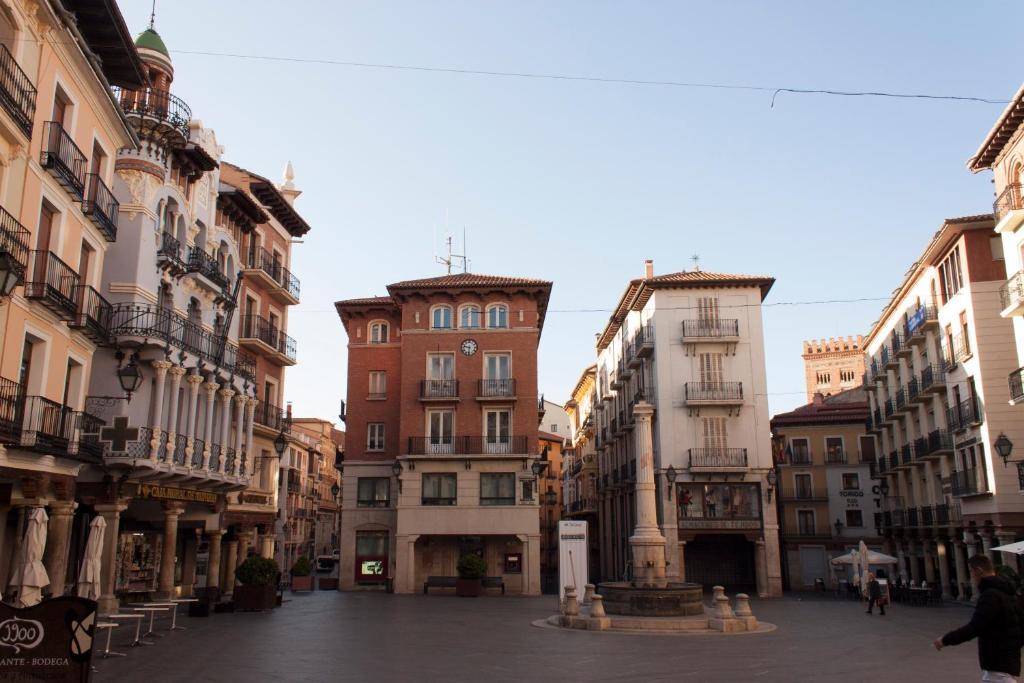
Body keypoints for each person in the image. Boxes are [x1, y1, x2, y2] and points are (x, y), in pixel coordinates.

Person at [934, 555, 1022, 682]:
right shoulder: (1009, 593)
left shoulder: (990, 595)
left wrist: (945, 640)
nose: (972, 576)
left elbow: (975, 627)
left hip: (997, 664)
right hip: (1004, 664)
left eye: (971, 571)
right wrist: (1012, 646)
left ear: (979, 570)